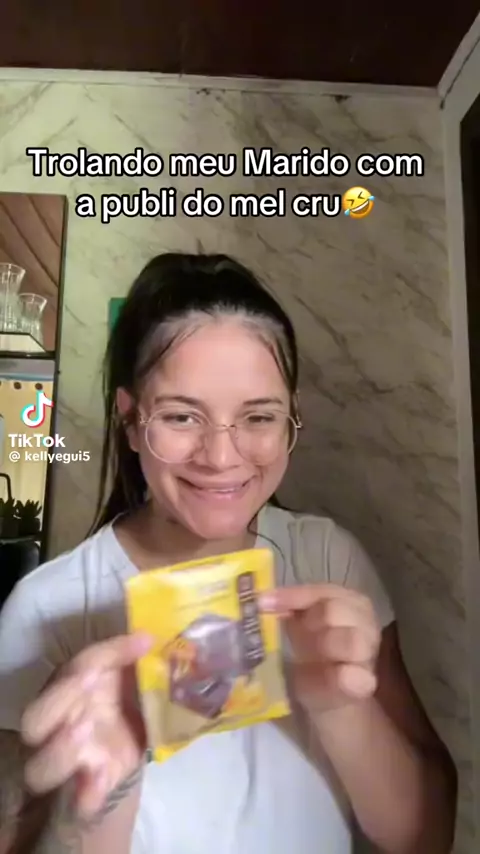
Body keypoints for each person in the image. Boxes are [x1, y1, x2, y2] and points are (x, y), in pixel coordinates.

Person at [0, 253, 456, 854]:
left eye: (258, 416)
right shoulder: (45, 608)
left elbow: (426, 838)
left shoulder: (326, 559)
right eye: (181, 416)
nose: (221, 457)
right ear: (130, 421)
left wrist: (341, 708)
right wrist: (99, 789)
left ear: (291, 419)